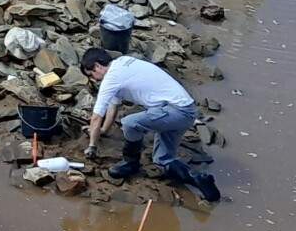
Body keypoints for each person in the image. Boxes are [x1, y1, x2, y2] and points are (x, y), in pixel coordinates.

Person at [79, 46, 217, 199]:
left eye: (91, 74)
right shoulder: (123, 63)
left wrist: (92, 146)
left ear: (97, 66)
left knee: (130, 123)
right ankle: (199, 179)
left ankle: (130, 163)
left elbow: (97, 115)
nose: (93, 79)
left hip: (175, 111)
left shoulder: (112, 76)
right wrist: (103, 130)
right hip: (184, 110)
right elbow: (113, 107)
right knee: (162, 159)